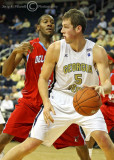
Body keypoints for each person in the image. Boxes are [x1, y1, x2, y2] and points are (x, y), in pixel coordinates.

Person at [2, 9, 114, 160]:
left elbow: (107, 83)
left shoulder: (96, 51)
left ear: (77, 28)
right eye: (61, 26)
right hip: (54, 102)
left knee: (101, 142)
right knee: (29, 143)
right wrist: (47, 103)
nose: (60, 30)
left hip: (83, 99)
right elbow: (39, 78)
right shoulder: (49, 48)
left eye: (65, 26)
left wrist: (102, 88)